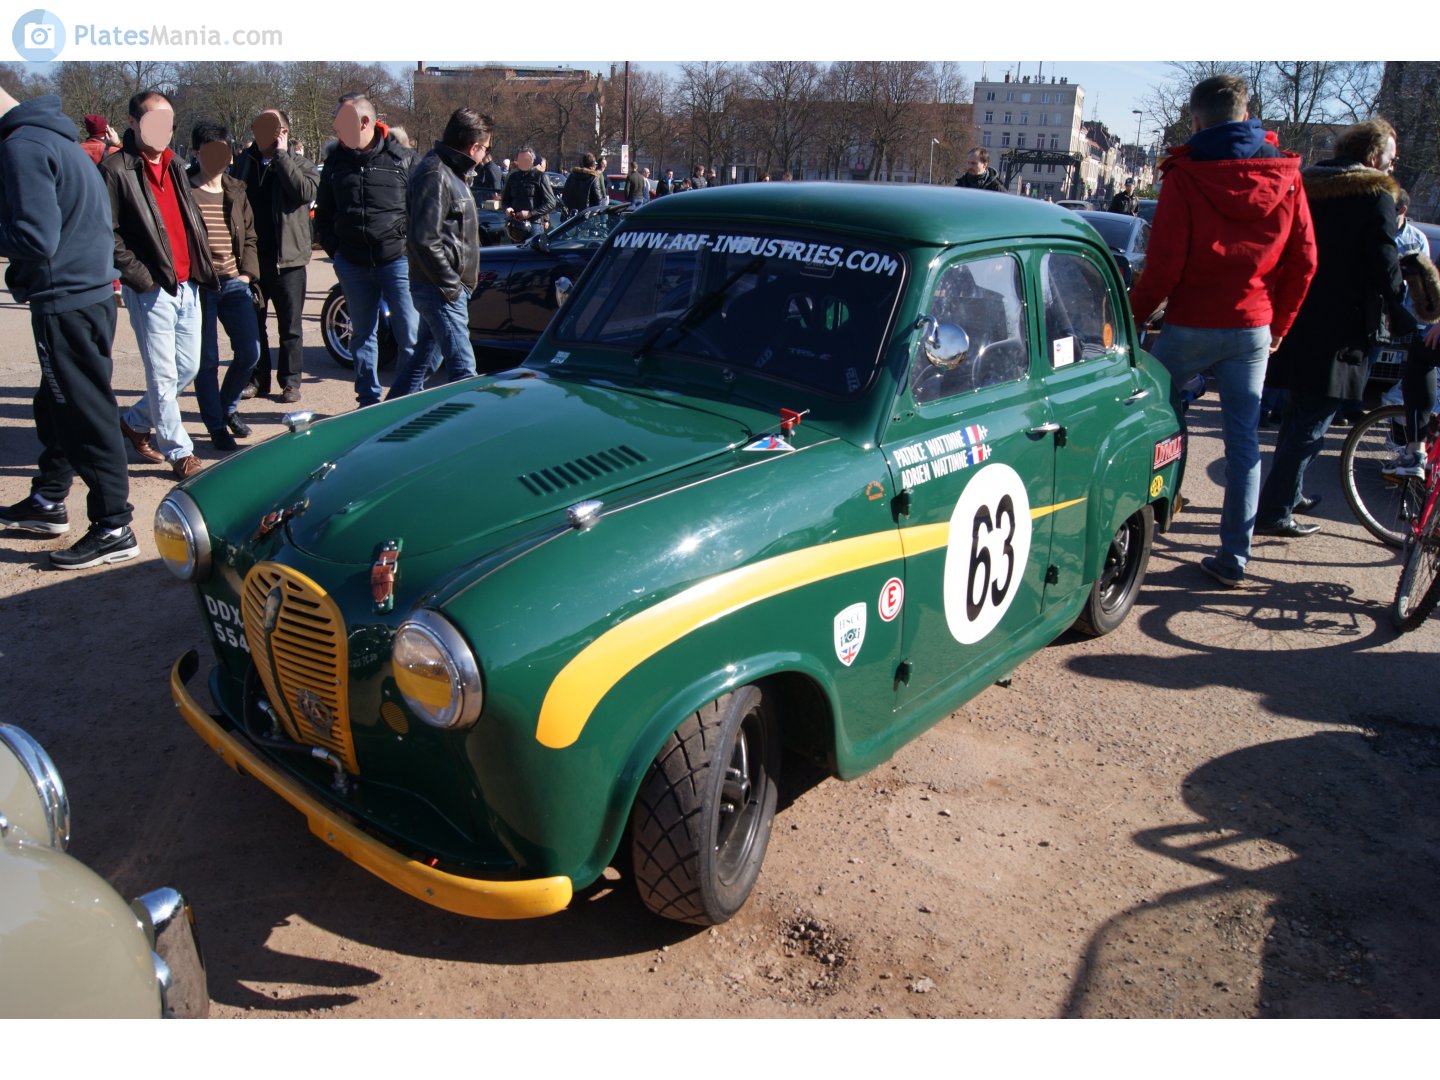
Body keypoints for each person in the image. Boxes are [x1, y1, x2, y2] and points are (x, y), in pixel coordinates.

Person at [1128, 74, 1317, 588]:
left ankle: (1156, 506)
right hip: (1252, 324)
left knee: (1153, 417)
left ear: (1196, 118)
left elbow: (1164, 265)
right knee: (1243, 443)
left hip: (1190, 321)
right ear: (1246, 110)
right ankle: (1235, 556)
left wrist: (1131, 316)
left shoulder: (1185, 175)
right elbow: (1304, 260)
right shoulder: (1287, 175)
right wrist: (1281, 323)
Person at [1256, 119, 1417, 537]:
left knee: (1297, 414)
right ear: (1372, 157)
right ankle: (1276, 510)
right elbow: (1383, 260)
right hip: (1343, 325)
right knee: (1313, 420)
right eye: (1391, 158)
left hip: (1298, 314)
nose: (1392, 166)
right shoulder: (1375, 195)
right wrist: (1401, 305)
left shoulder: (1308, 185)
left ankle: (1288, 493)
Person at [0, 89, 138, 569]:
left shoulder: (22, 145)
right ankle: (49, 500)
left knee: (83, 409)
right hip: (88, 292)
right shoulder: (52, 137)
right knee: (56, 403)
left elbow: (34, 237)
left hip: (68, 298)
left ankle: (114, 525)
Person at [101, 89, 215, 481]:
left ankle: (134, 421)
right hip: (151, 288)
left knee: (189, 365)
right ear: (133, 123)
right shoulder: (116, 169)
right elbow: (108, 234)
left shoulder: (176, 164)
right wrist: (142, 279)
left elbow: (187, 220)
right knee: (163, 374)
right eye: (153, 121)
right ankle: (179, 449)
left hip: (187, 284)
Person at [315, 92, 419, 407]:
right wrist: (337, 253)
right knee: (362, 336)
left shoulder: (403, 159)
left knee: (409, 335)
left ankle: (408, 399)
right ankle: (367, 401)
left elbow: (420, 210)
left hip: (396, 261)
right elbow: (324, 213)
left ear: (365, 122)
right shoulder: (334, 164)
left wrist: (409, 249)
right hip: (353, 264)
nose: (337, 130)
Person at [387, 108, 491, 400]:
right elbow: (424, 240)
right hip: (440, 288)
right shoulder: (435, 174)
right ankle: (470, 436)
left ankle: (387, 423)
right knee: (463, 370)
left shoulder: (451, 172)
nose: (485, 155)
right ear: (474, 147)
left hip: (445, 287)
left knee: (424, 361)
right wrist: (451, 287)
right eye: (485, 148)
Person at [232, 107, 320, 404]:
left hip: (289, 259)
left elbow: (303, 192)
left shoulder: (301, 164)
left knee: (290, 326)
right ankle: (258, 379)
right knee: (254, 325)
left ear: (284, 132)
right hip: (254, 258)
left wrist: (282, 157)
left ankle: (290, 382)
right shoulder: (244, 163)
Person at [187, 121, 260, 452]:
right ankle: (216, 426)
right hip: (200, 286)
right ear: (196, 153)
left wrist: (247, 274)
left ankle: (227, 408)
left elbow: (250, 238)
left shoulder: (236, 189)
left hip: (234, 284)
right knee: (207, 362)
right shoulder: (183, 190)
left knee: (250, 352)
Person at [499, 146, 556, 238]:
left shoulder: (540, 177)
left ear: (532, 160)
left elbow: (551, 203)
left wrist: (530, 213)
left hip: (534, 225)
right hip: (515, 225)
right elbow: (505, 199)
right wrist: (507, 208)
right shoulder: (513, 177)